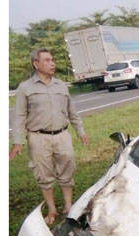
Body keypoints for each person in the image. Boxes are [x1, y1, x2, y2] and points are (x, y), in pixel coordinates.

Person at [9, 48, 89, 225]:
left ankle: (68, 205)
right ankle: (52, 209)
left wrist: (80, 131)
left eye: (52, 60)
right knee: (43, 174)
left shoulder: (61, 85)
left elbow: (72, 111)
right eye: (47, 60)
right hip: (38, 137)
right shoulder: (25, 88)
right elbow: (19, 117)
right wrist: (17, 142)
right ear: (36, 64)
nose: (52, 63)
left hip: (62, 135)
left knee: (67, 167)